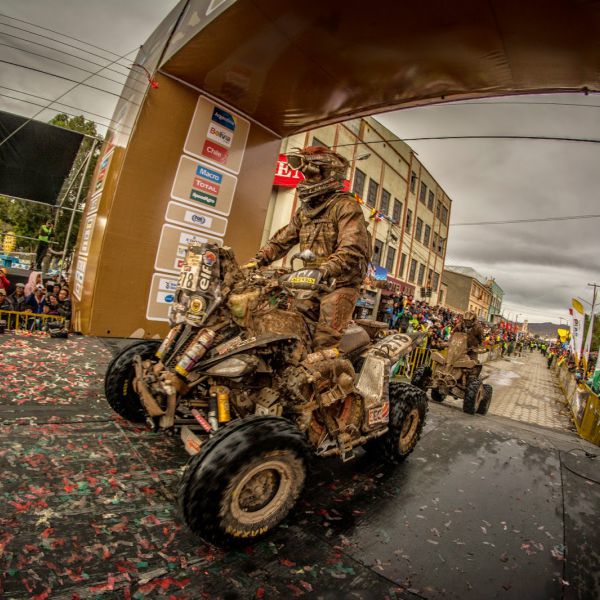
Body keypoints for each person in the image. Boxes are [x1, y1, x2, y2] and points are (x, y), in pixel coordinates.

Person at [246, 146, 371, 349]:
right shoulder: (305, 212)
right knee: (289, 329)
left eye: (312, 175)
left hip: (340, 284)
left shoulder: (346, 206)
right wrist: (256, 261)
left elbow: (351, 248)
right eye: (305, 176)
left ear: (328, 174)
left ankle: (328, 368)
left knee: (324, 340)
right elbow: (281, 241)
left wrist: (324, 270)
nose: (306, 180)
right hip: (310, 284)